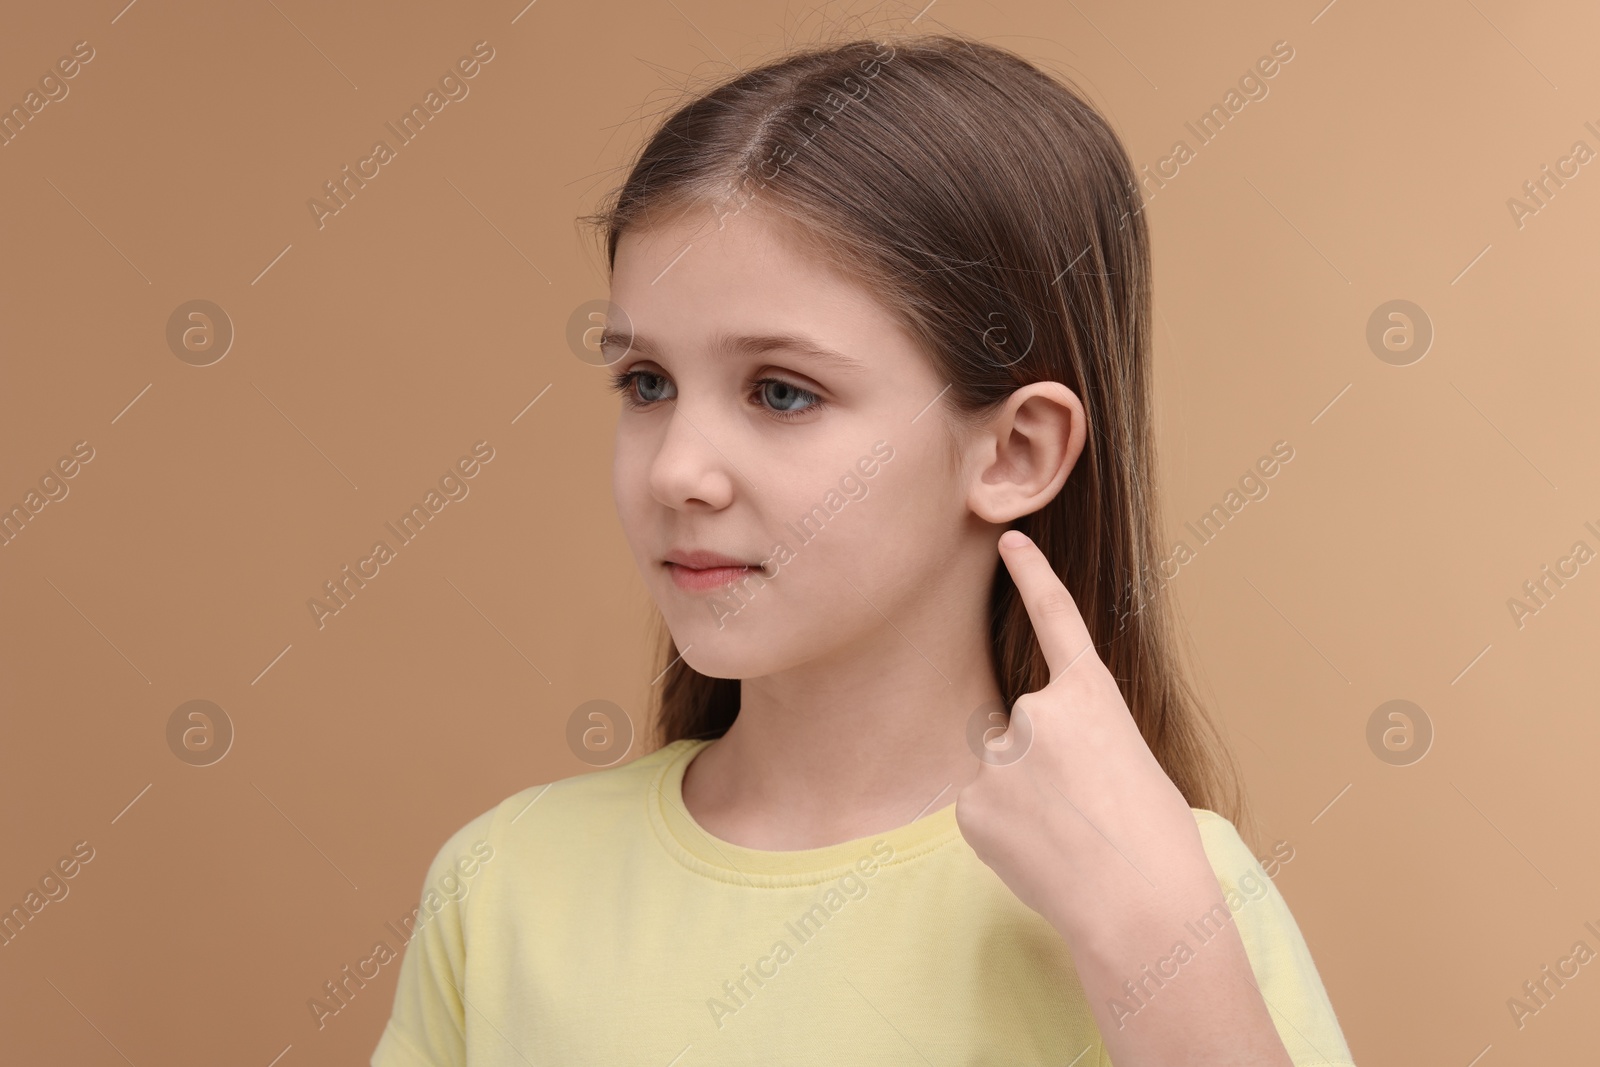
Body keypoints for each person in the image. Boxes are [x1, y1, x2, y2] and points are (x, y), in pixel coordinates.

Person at [370, 31, 1357, 1066]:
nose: (675, 473)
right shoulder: (504, 886)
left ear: (1015, 450)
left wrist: (1154, 945)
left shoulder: (1165, 891)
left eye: (781, 391)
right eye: (646, 383)